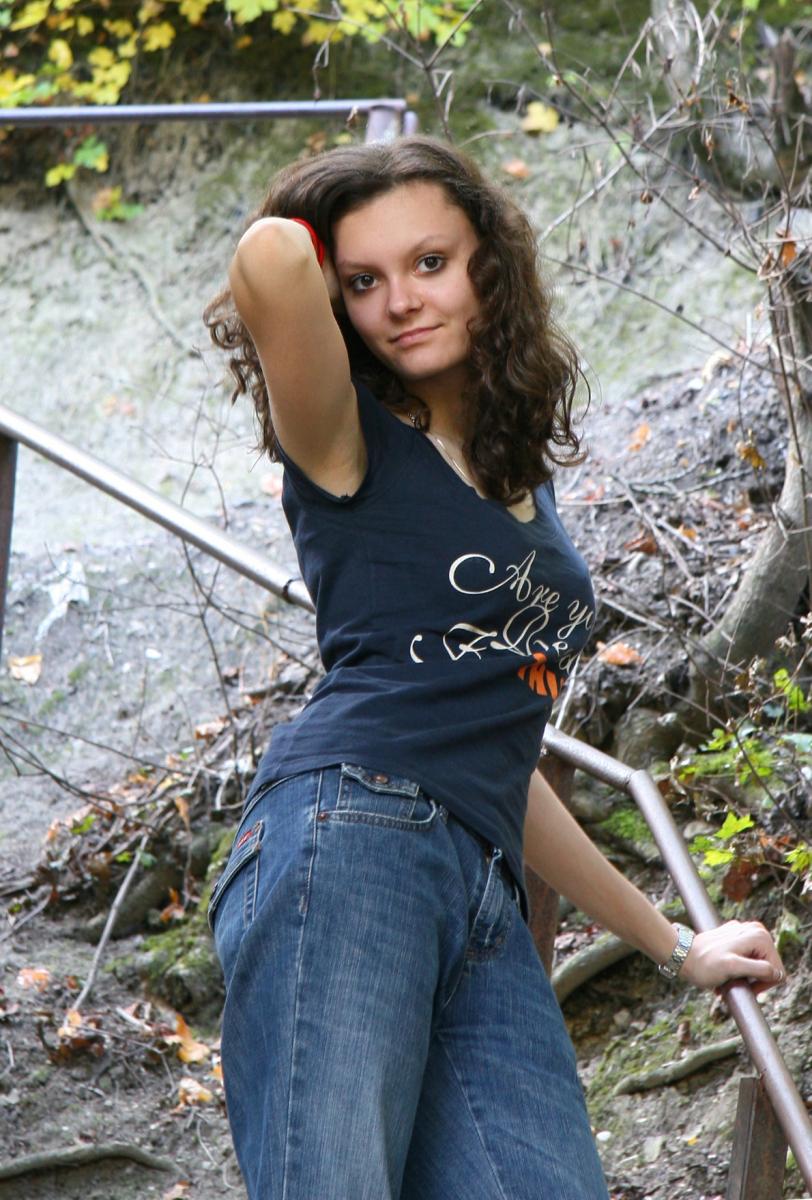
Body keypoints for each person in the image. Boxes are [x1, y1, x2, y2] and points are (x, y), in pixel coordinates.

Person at [202, 135, 785, 1200]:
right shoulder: (341, 438)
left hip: (480, 883)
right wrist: (324, 224)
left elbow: (502, 765)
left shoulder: (517, 480)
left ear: (490, 268)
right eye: (365, 281)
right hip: (348, 832)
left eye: (431, 262)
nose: (401, 301)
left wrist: (673, 947)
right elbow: (268, 256)